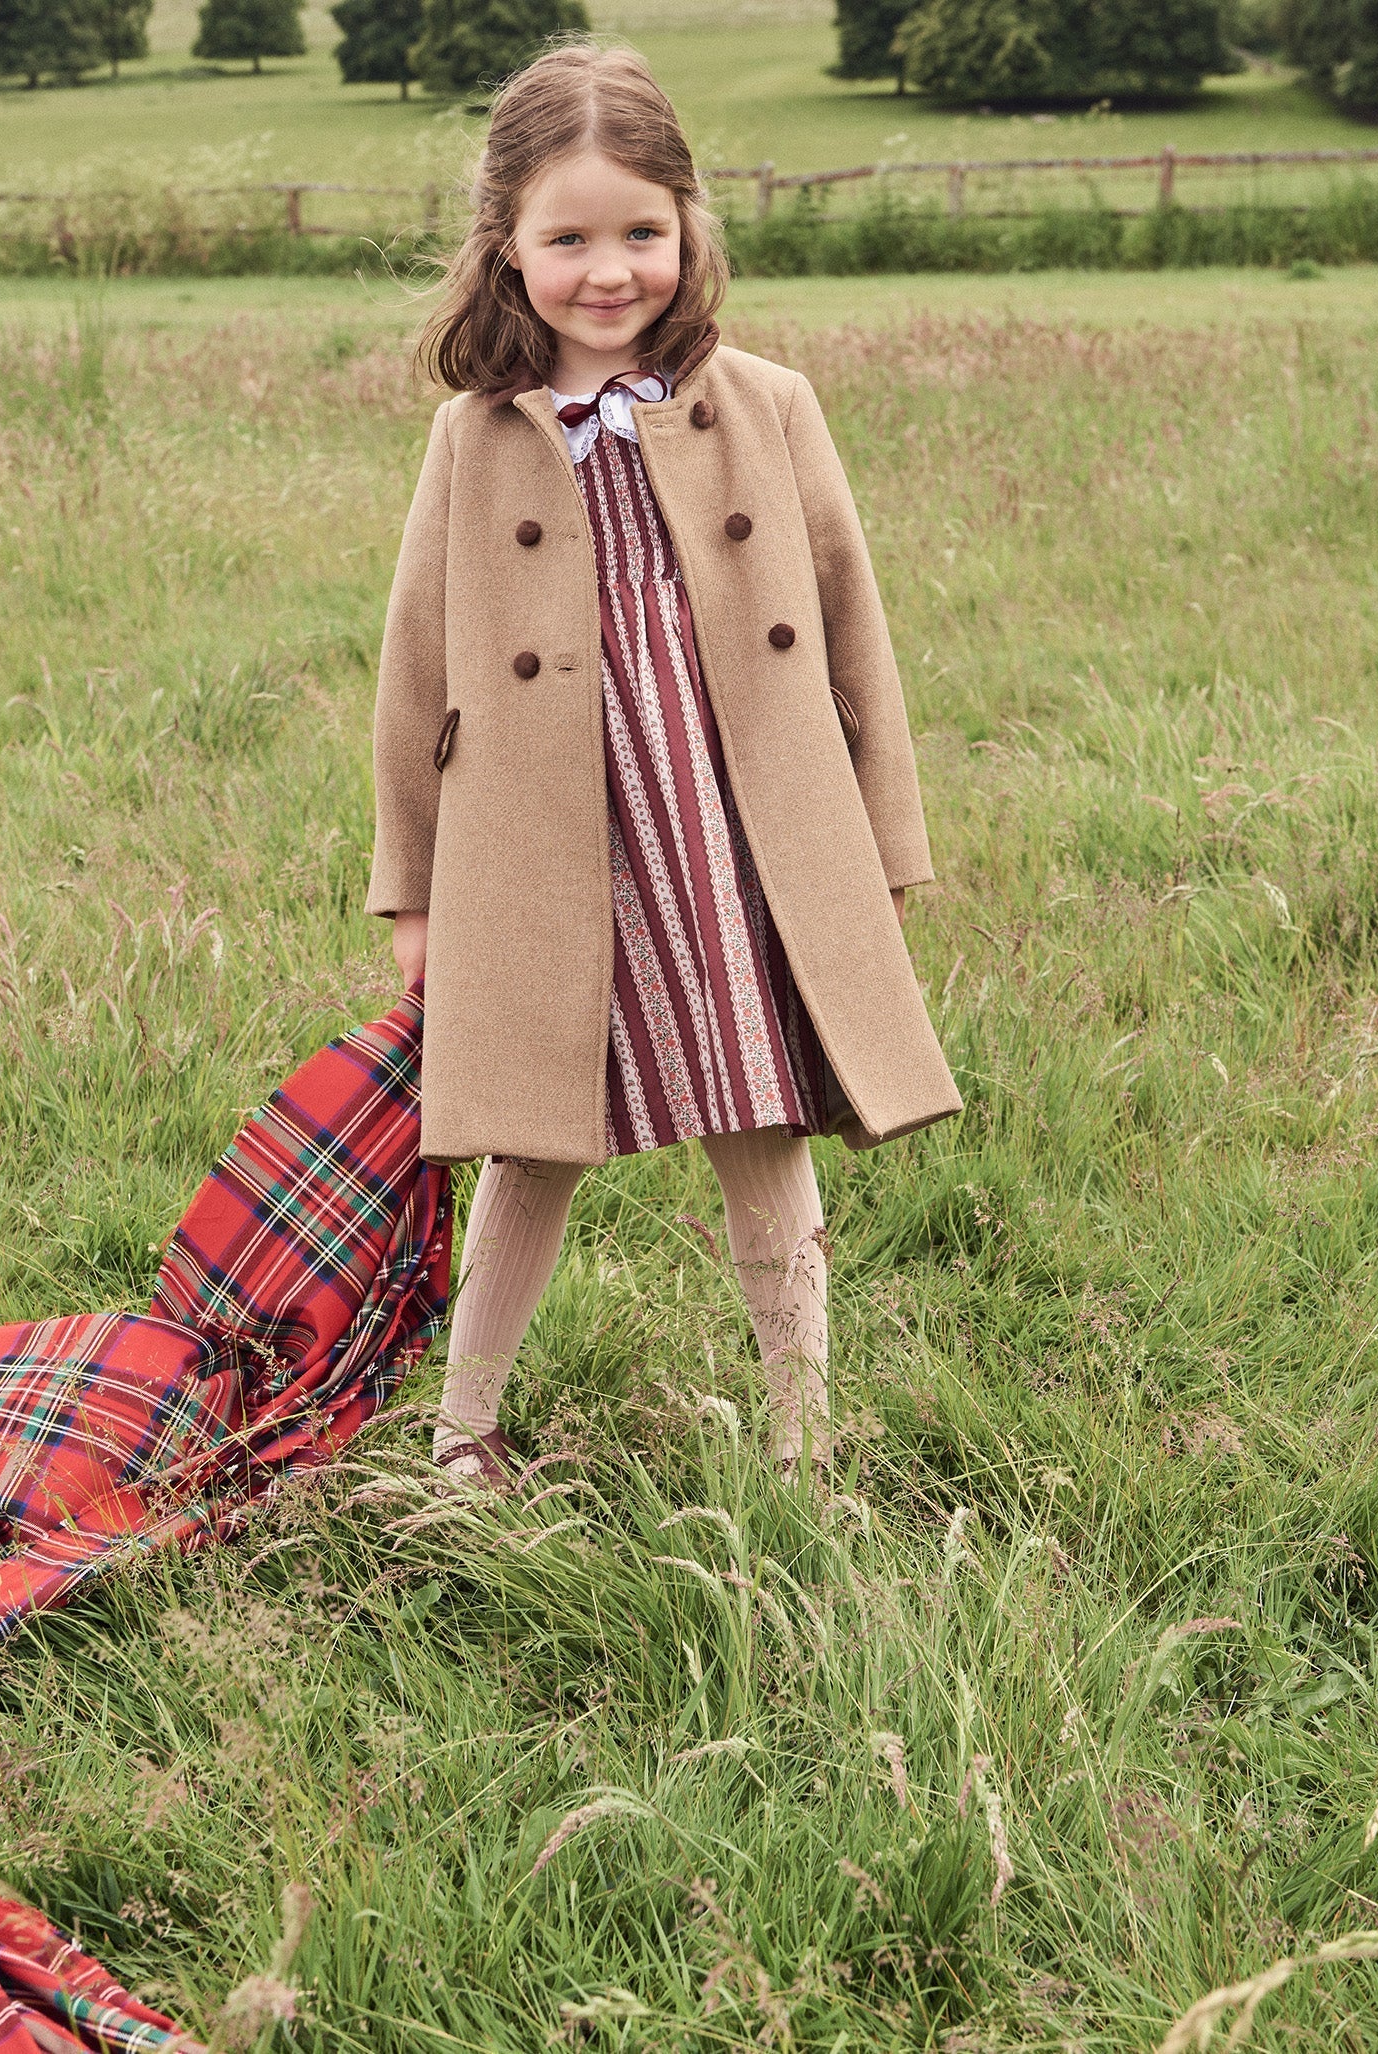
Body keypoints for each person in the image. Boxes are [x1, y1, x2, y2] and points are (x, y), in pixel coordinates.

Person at [366, 42, 961, 1485]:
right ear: (506, 245)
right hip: (552, 842)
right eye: (568, 238)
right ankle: (462, 1436)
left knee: (764, 1120)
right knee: (530, 1138)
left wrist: (884, 855)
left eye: (641, 230)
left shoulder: (770, 404)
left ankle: (800, 1446)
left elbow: (855, 640)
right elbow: (416, 670)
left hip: (734, 837)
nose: (609, 270)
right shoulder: (472, 436)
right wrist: (415, 893)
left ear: (689, 224)